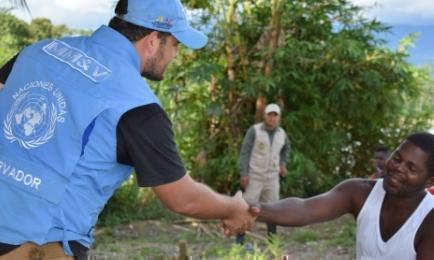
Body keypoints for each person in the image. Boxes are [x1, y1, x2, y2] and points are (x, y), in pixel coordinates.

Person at [0, 0, 254, 259]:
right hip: (37, 244)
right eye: (176, 44)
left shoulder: (37, 52)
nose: (175, 55)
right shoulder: (137, 106)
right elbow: (182, 198)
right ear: (154, 40)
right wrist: (232, 207)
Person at [250, 132, 434, 259]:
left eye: (411, 168)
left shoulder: (429, 220)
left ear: (429, 181)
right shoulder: (359, 191)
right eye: (397, 159)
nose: (398, 168)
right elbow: (304, 209)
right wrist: (253, 210)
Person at [236, 103, 290, 244]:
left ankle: (272, 241)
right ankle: (239, 240)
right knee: (247, 207)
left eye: (275, 115)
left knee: (273, 208)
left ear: (279, 118)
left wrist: (282, 164)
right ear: (265, 116)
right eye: (269, 115)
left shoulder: (282, 134)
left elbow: (286, 150)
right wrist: (244, 173)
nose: (272, 118)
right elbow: (245, 152)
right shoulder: (254, 131)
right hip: (255, 176)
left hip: (272, 177)